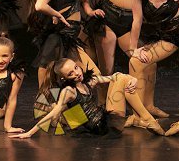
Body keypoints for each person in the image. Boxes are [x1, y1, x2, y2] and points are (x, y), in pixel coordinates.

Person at [12, 57, 164, 138]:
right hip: (101, 127)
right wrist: (29, 133)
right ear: (65, 79)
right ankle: (148, 119)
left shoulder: (89, 81)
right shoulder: (69, 91)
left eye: (76, 68)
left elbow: (114, 77)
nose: (77, 73)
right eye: (71, 73)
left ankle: (143, 120)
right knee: (122, 78)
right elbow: (53, 112)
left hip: (105, 118)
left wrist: (133, 79)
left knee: (121, 78)